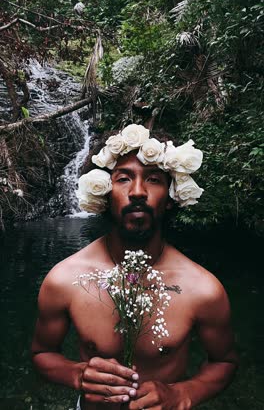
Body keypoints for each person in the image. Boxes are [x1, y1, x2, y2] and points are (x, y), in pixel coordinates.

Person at [32, 124, 238, 410]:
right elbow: (42, 353)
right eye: (124, 178)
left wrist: (183, 393)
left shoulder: (202, 289)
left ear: (170, 195)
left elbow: (224, 361)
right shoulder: (64, 279)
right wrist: (76, 373)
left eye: (153, 179)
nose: (138, 191)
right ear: (104, 192)